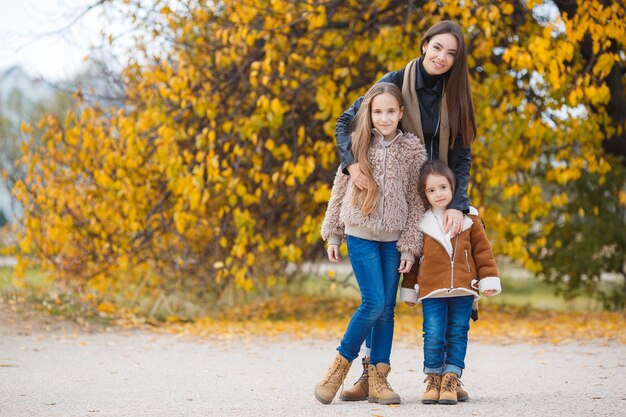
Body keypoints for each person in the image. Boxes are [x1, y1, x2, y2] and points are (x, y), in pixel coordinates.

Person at [335, 19, 477, 402]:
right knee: (381, 298)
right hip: (394, 205)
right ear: (424, 44)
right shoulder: (395, 82)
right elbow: (346, 121)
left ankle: (447, 374)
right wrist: (351, 164)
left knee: (451, 287)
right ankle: (371, 374)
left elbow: (461, 156)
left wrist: (458, 205)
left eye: (451, 53)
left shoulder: (458, 93)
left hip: (439, 198)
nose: (442, 57)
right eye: (437, 48)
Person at [315, 82, 427, 405]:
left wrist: (409, 246)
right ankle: (339, 366)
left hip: (393, 239)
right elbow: (340, 187)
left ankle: (378, 378)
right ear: (369, 113)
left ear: (401, 112)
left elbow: (415, 201)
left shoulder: (412, 151)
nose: (384, 117)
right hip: (360, 232)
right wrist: (333, 232)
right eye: (378, 112)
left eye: (391, 111)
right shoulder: (357, 143)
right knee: (374, 302)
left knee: (387, 310)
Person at [401, 159, 501, 405]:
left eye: (443, 187)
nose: (438, 194)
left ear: (453, 187)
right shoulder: (421, 223)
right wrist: (408, 289)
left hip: (464, 288)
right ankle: (433, 377)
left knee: (458, 333)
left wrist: (488, 279)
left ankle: (451, 378)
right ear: (424, 194)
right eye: (431, 190)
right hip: (432, 290)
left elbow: (483, 253)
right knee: (433, 334)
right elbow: (413, 257)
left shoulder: (470, 218)